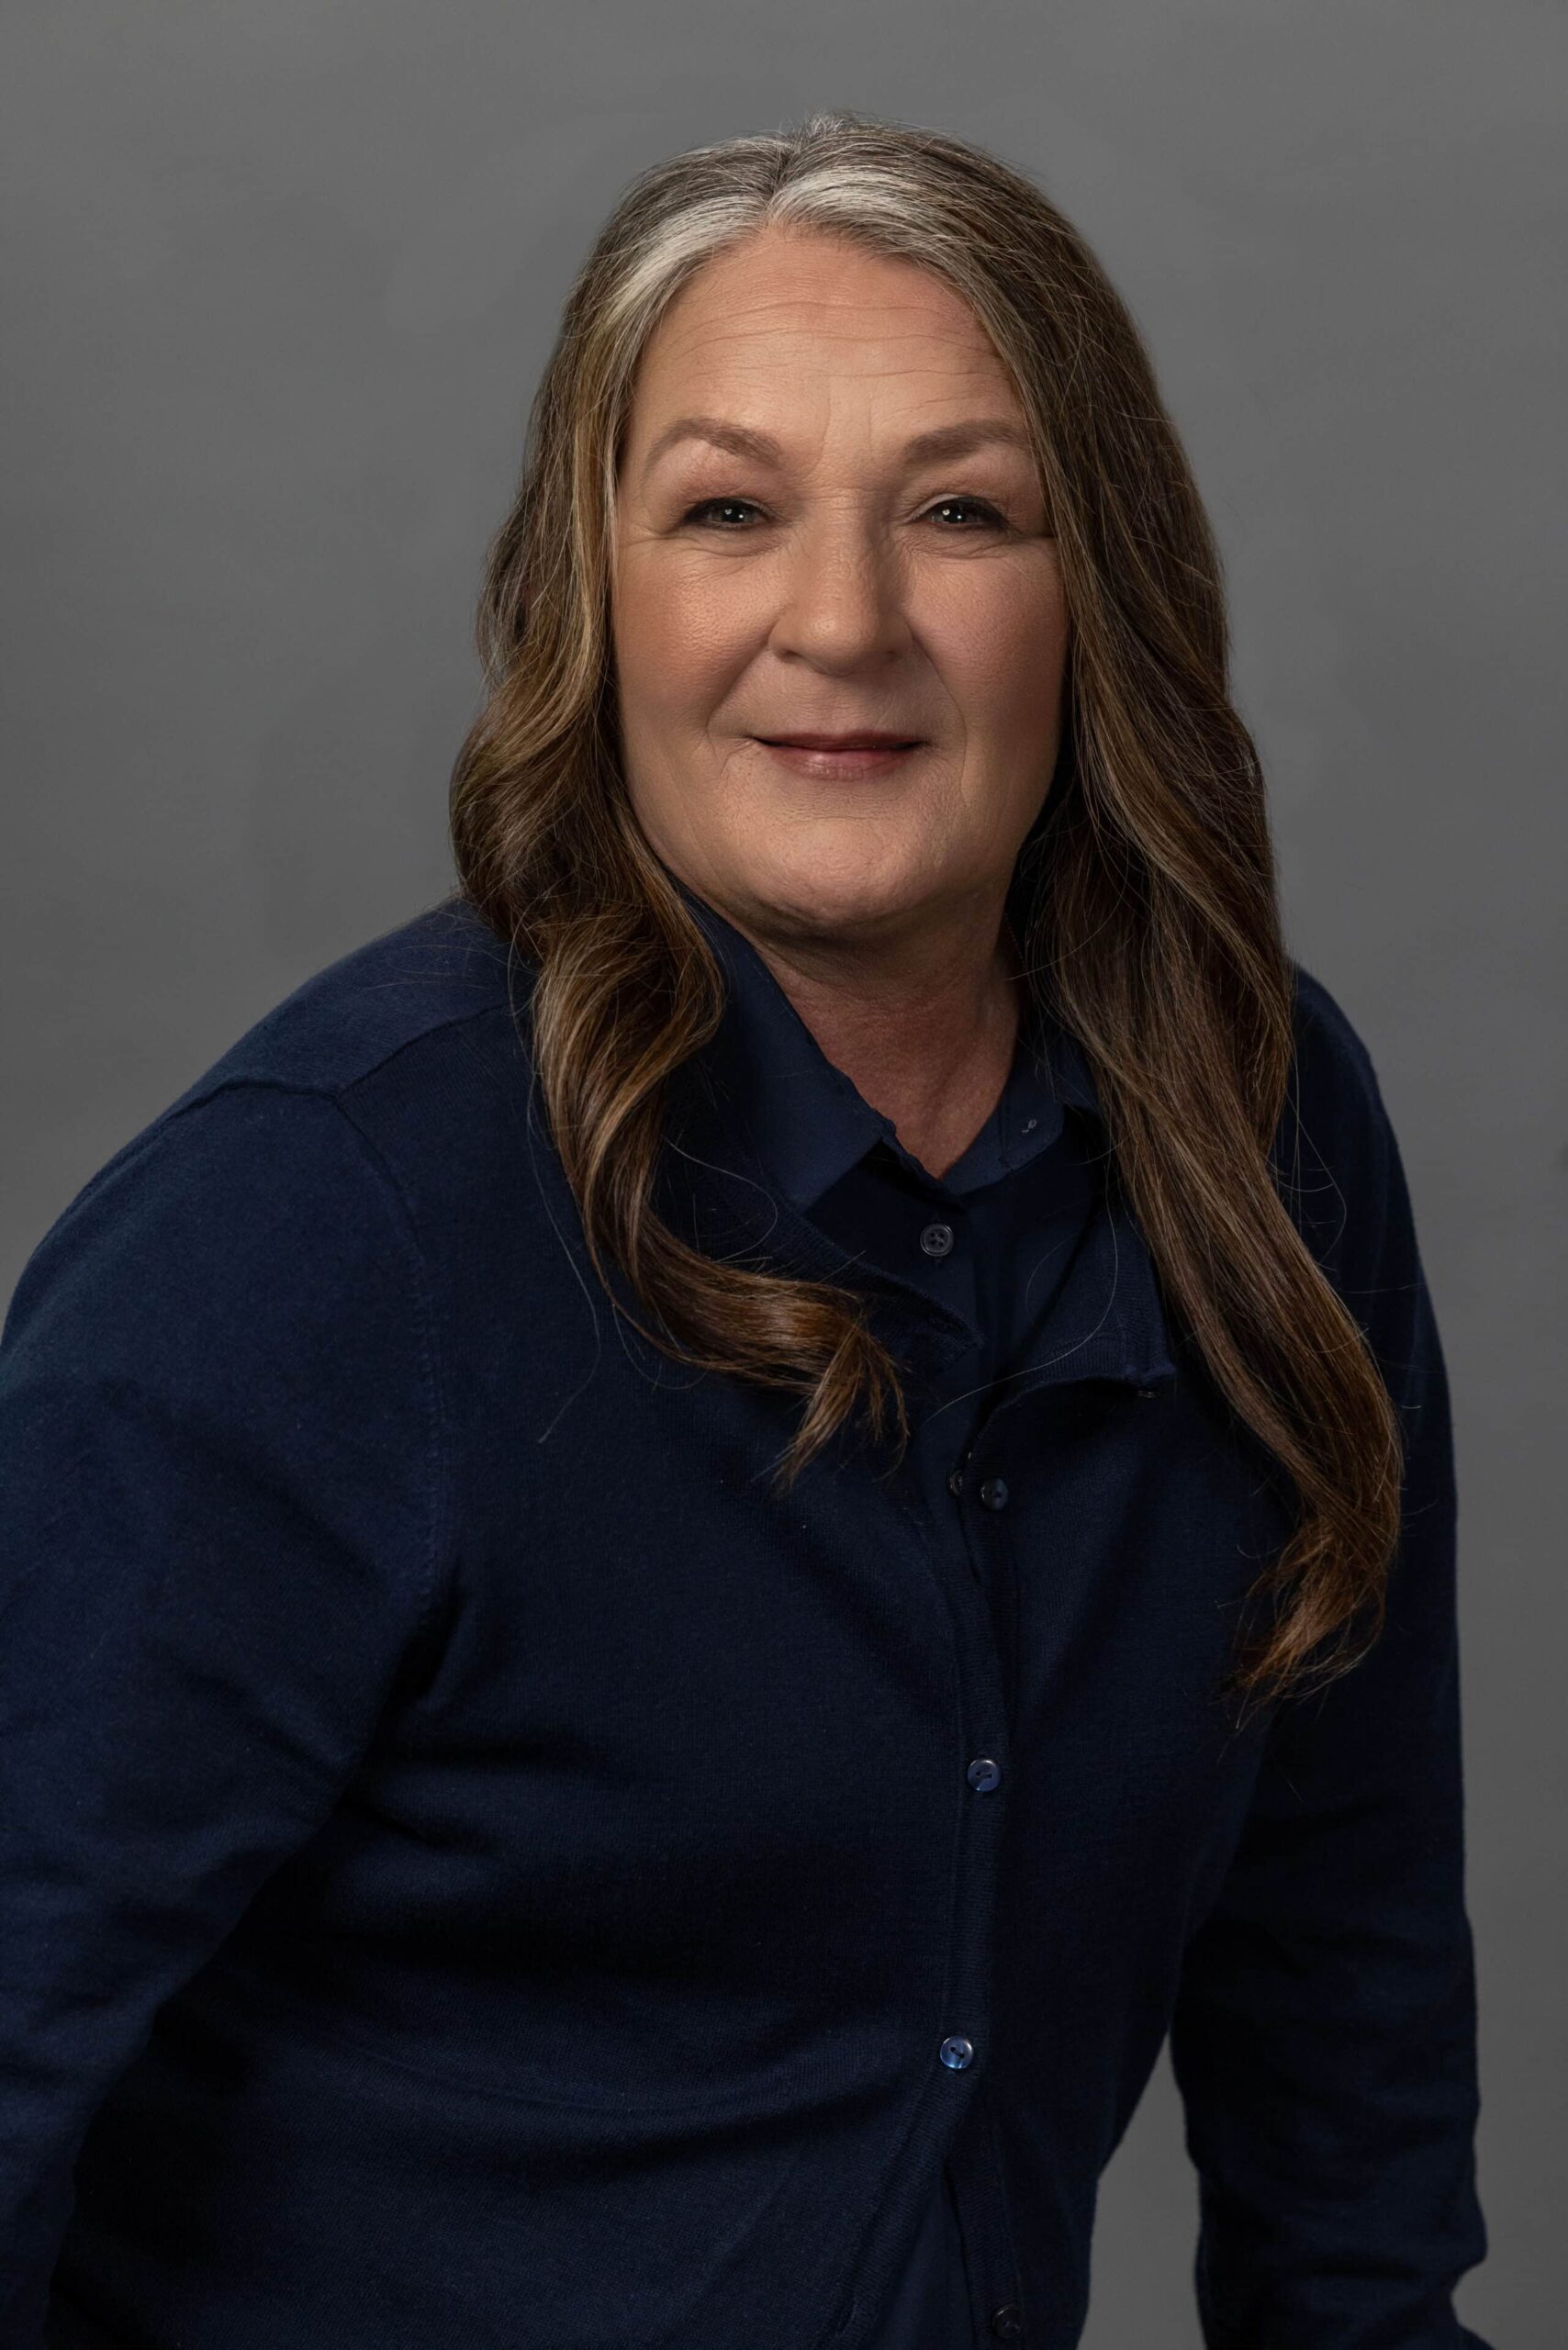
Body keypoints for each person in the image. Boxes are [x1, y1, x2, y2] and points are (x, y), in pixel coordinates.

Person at [0, 108, 1491, 2350]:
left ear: (1105, 588)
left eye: (961, 512)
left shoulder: (1257, 1130)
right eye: (725, 511)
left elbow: (1339, 2005)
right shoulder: (310, 1230)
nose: (842, 622)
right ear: (594, 595)